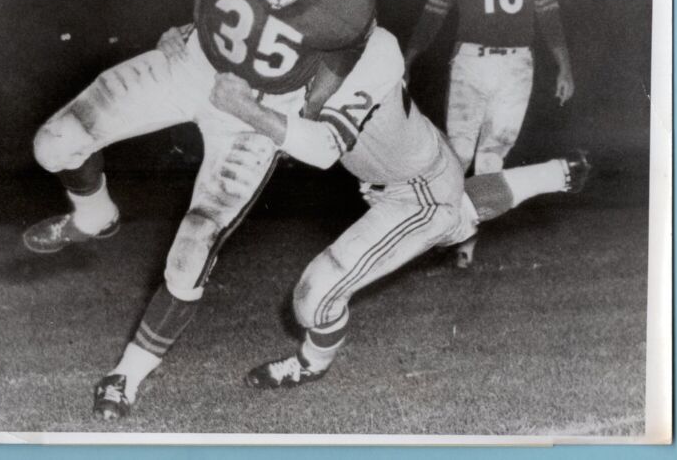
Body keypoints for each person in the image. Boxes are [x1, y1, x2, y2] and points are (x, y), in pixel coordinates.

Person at [0, 0, 376, 420]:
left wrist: (296, 116)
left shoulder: (348, 0)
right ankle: (92, 213)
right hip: (190, 67)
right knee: (54, 143)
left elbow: (342, 61)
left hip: (255, 114)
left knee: (193, 250)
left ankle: (125, 377)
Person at [209, 25, 589, 388]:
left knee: (315, 298)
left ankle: (310, 365)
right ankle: (560, 173)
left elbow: (322, 146)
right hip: (416, 172)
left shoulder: (373, 50)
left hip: (416, 190)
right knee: (458, 213)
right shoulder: (319, 47)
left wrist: (245, 107)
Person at [403, 0, 576, 268]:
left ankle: (466, 241)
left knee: (492, 156)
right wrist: (410, 56)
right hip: (470, 60)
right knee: (457, 153)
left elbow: (550, 16)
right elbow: (434, 12)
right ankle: (437, 230)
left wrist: (564, 65)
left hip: (516, 65)